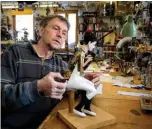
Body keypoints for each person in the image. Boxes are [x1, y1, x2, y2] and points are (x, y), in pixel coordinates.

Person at [1, 15, 100, 129]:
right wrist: (38, 87)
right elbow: (2, 97)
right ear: (41, 31)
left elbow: (71, 91)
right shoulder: (15, 53)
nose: (60, 35)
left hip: (49, 124)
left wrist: (85, 83)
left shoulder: (61, 65)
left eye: (64, 33)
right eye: (56, 28)